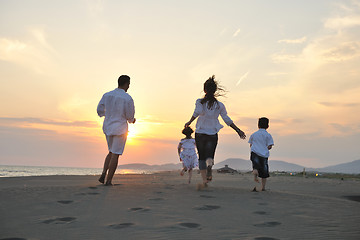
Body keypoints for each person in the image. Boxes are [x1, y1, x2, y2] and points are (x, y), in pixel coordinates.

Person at [185, 75, 246, 189]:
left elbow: (197, 112)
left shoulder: (200, 102)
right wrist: (238, 130)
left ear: (204, 90)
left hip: (200, 133)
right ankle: (210, 167)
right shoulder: (219, 105)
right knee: (209, 157)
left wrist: (189, 121)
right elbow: (226, 119)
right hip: (212, 134)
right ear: (215, 90)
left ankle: (204, 182)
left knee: (201, 158)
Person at [97, 75, 136, 186]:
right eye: (128, 84)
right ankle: (108, 181)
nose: (129, 86)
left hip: (108, 126)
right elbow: (129, 116)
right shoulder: (127, 98)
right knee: (116, 153)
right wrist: (133, 120)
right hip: (120, 128)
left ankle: (104, 173)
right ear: (126, 84)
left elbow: (99, 110)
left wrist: (109, 114)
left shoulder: (107, 95)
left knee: (110, 151)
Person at [248, 117, 274, 192]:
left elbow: (251, 144)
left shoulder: (254, 134)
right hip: (264, 155)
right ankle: (263, 187)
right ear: (268, 126)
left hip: (254, 152)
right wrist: (266, 148)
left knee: (255, 166)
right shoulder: (268, 135)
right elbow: (270, 146)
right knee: (264, 172)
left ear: (258, 125)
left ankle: (255, 172)